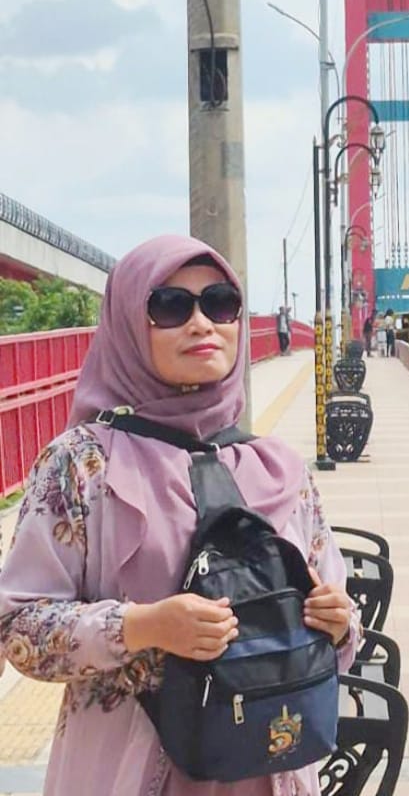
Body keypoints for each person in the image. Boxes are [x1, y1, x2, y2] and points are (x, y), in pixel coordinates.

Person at [0, 235, 359, 796]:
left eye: (220, 304)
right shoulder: (83, 466)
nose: (202, 324)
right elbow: (18, 629)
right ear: (126, 326)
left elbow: (333, 625)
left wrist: (338, 621)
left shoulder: (278, 467)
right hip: (129, 774)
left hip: (271, 769)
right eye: (170, 306)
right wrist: (145, 626)